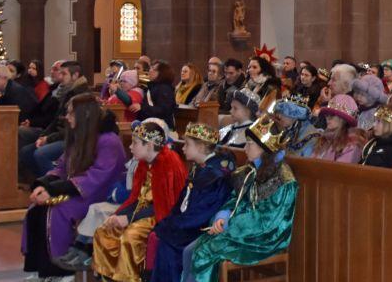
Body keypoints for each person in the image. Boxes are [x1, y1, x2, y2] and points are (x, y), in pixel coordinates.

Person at [21, 94, 126, 280]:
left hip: (97, 194)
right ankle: (43, 270)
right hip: (79, 189)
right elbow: (62, 166)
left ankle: (63, 271)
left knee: (58, 211)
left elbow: (96, 178)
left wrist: (54, 190)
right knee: (35, 209)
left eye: (70, 113)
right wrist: (43, 185)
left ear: (84, 115)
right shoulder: (80, 135)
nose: (67, 117)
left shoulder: (108, 140)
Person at [190, 115, 298, 282]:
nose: (245, 148)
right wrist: (222, 216)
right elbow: (236, 198)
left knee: (204, 252)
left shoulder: (283, 180)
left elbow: (266, 221)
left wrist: (229, 225)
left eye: (250, 143)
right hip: (243, 231)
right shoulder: (250, 170)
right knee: (194, 248)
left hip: (265, 239)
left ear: (263, 148)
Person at [92, 121, 188, 281]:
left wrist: (128, 219)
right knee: (104, 231)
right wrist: (120, 215)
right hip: (141, 212)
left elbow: (166, 205)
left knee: (130, 237)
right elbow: (136, 198)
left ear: (149, 145)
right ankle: (106, 277)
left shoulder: (170, 164)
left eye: (135, 143)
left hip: (159, 217)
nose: (130, 147)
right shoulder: (144, 164)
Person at [151, 123, 235, 282]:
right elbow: (181, 202)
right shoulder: (199, 167)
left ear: (202, 147)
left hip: (201, 228)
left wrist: (173, 225)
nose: (183, 148)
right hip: (187, 223)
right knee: (162, 236)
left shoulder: (215, 176)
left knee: (168, 245)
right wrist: (169, 222)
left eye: (187, 144)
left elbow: (202, 213)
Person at [308, 94, 365, 163]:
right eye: (327, 115)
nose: (328, 118)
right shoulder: (325, 139)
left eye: (332, 115)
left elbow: (339, 171)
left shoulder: (351, 144)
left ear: (343, 119)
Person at [140, 61, 179, 127]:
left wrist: (142, 108)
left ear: (162, 73)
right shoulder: (154, 87)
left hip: (161, 128)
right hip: (153, 125)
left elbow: (163, 111)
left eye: (154, 69)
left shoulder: (163, 89)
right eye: (150, 68)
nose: (150, 71)